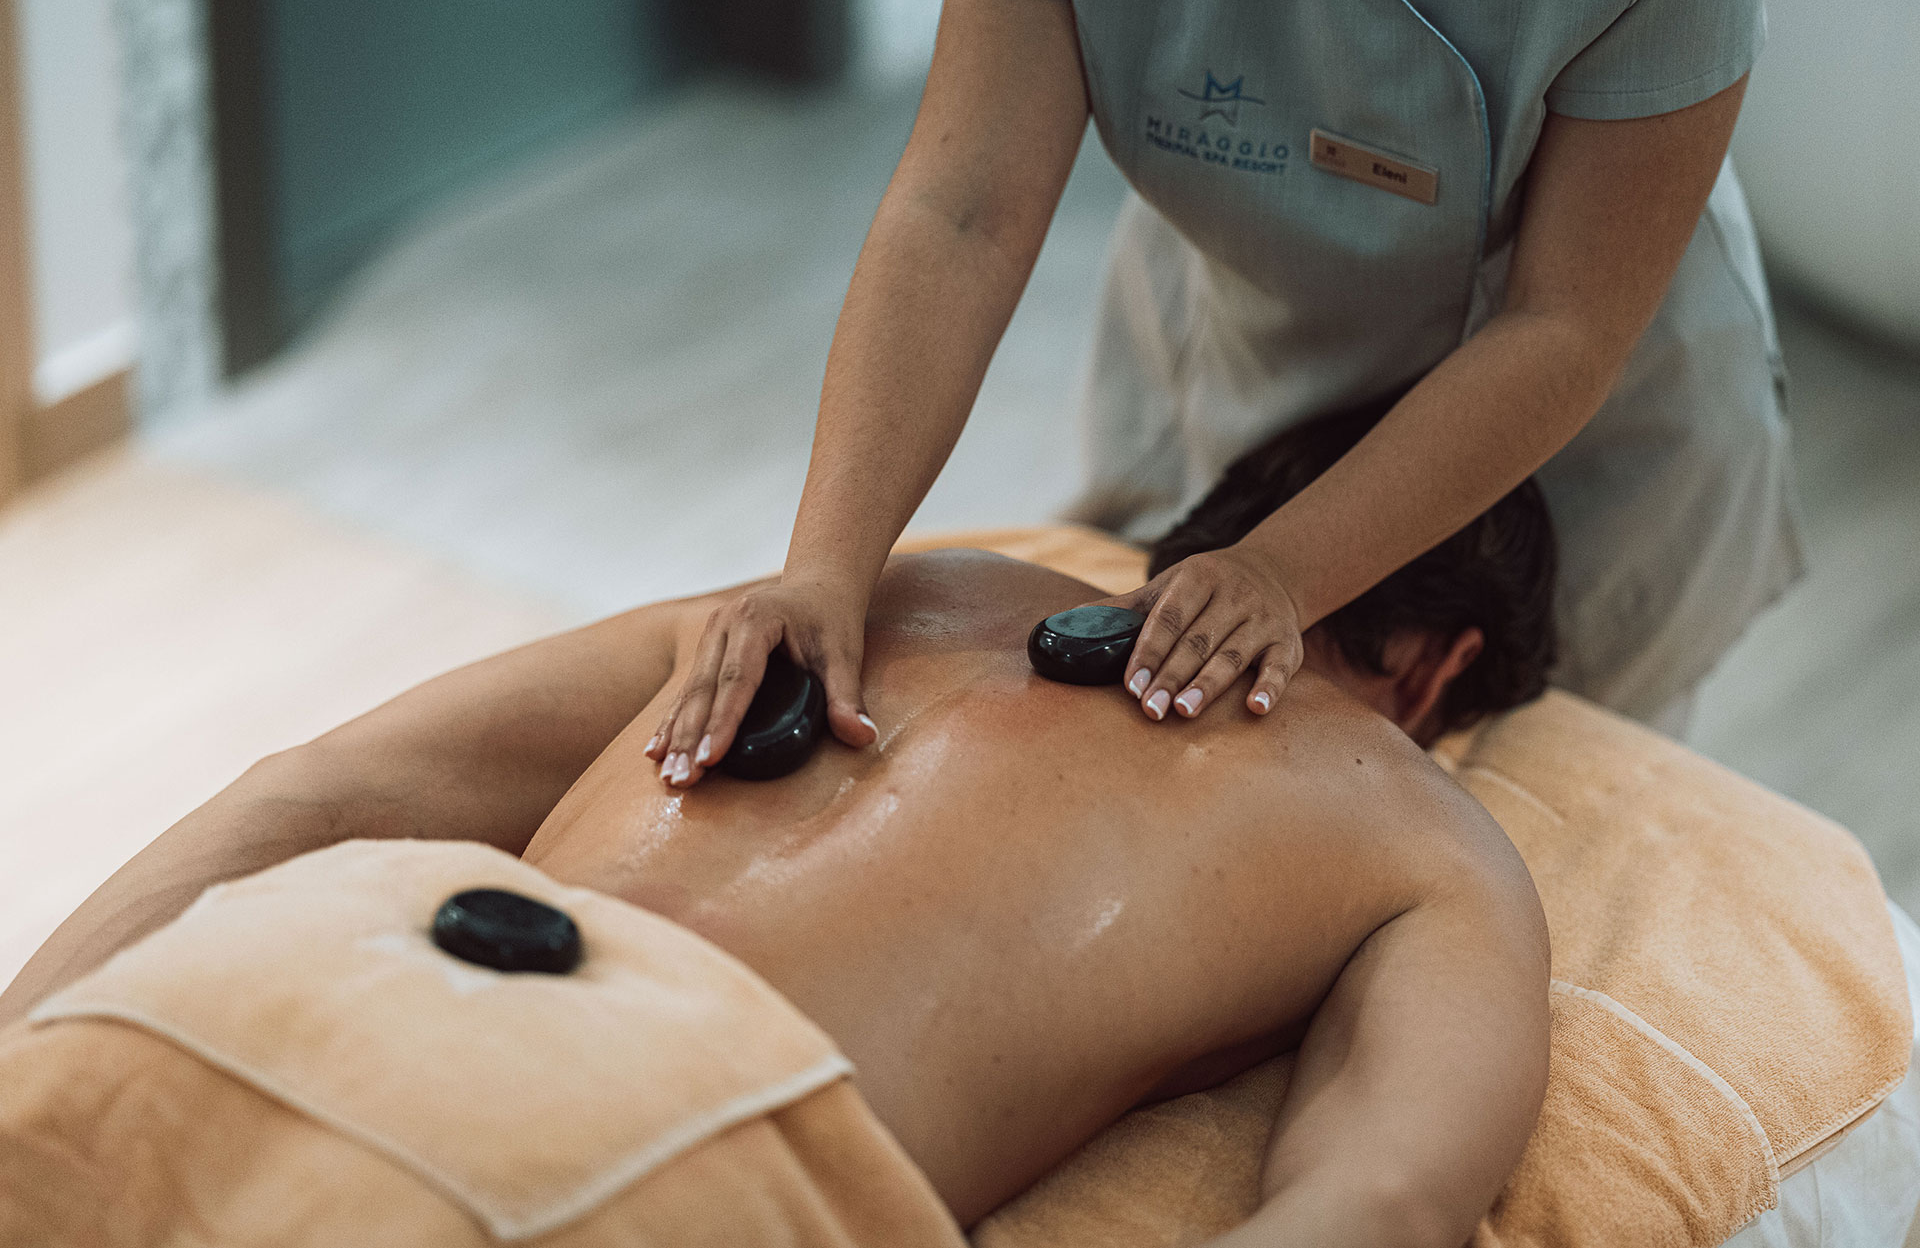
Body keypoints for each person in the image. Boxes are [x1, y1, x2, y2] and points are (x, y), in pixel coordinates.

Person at [0, 406, 1558, 1244]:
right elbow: (1383, 1205)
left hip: (279, 1004)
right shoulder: (1424, 834)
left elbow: (309, 796)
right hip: (658, 1158)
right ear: (1443, 672)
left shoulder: (913, 588)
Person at [643, 0, 1797, 791]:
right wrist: (826, 569)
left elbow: (1566, 325)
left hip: (1584, 434)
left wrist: (1282, 573)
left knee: (1534, 828)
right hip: (1259, 339)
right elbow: (962, 212)